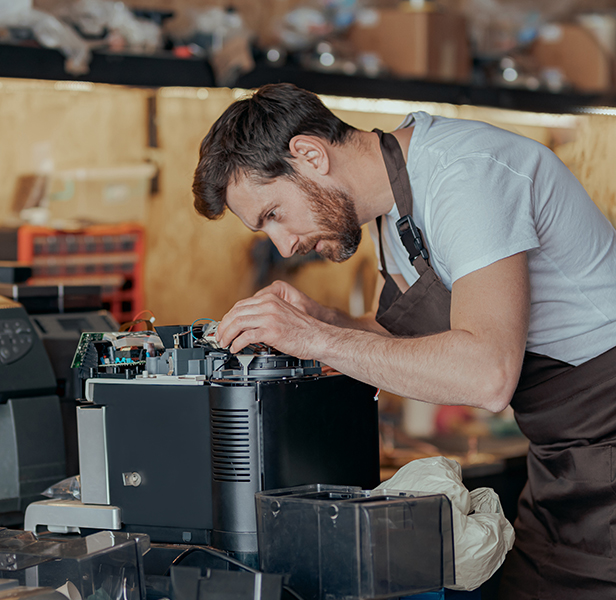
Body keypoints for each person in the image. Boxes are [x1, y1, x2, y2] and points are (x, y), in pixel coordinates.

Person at [191, 83, 616, 599]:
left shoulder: (465, 175)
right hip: (562, 461)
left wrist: (318, 338)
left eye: (274, 214)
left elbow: (487, 374)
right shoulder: (391, 207)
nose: (284, 245)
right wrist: (324, 320)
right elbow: (406, 341)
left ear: (310, 155)